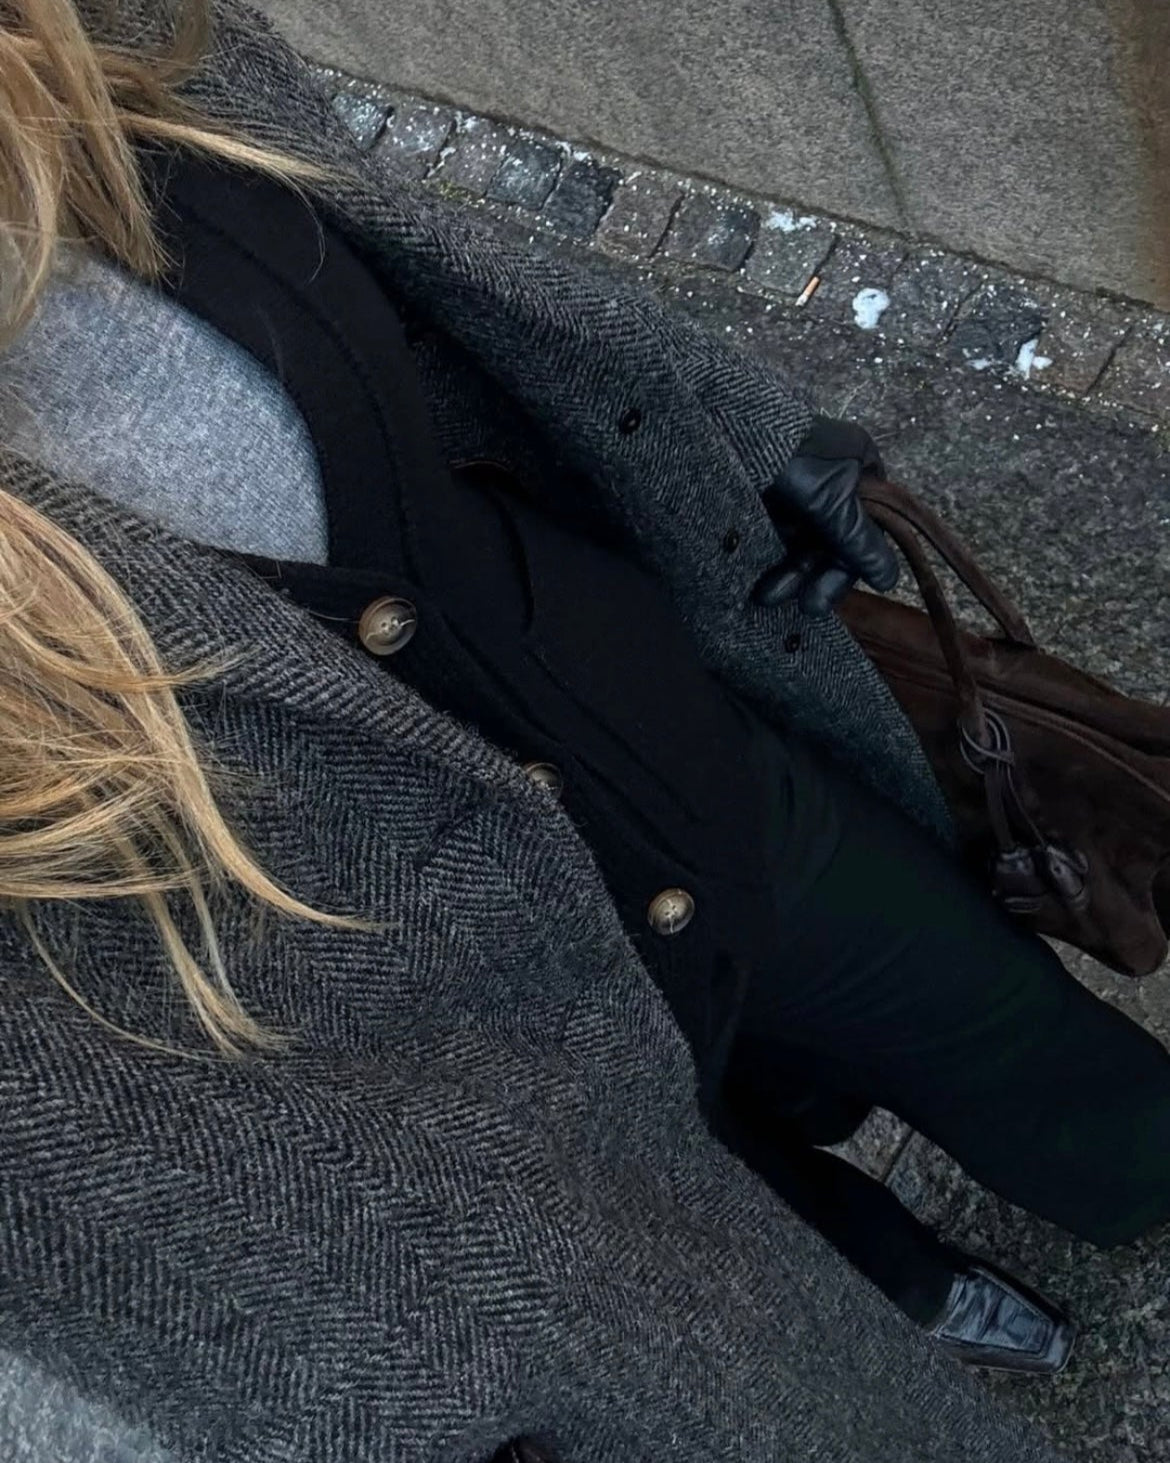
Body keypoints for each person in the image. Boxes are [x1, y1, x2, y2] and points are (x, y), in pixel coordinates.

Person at [0, 0, 1161, 1458]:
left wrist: (739, 432)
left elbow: (429, 263)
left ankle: (1130, 1184)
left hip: (654, 744)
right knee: (716, 1232)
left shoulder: (67, 47)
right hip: (424, 1040)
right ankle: (901, 1287)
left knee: (991, 1020)